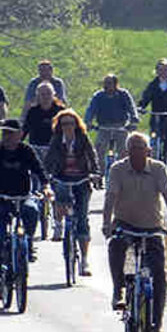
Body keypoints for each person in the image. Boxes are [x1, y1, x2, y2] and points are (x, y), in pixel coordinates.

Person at [101, 132, 167, 332]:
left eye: (141, 148)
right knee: (116, 244)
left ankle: (156, 329)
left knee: (159, 275)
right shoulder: (117, 169)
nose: (137, 152)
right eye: (133, 148)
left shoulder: (158, 168)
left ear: (149, 151)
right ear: (126, 152)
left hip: (152, 227)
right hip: (125, 223)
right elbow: (110, 197)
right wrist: (106, 222)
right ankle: (118, 289)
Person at [0, 119, 53, 299]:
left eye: (11, 133)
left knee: (33, 210)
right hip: (0, 198)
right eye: (5, 133)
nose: (7, 136)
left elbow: (39, 170)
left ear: (20, 134)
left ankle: (27, 242)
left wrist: (45, 186)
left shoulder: (26, 151)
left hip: (22, 197)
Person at [44, 108, 100, 276]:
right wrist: (46, 174)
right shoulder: (56, 140)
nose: (67, 127)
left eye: (70, 123)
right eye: (64, 124)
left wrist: (96, 173)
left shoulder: (82, 138)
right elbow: (49, 158)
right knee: (60, 192)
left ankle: (84, 260)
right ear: (59, 126)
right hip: (63, 176)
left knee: (82, 218)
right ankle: (59, 224)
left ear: (76, 124)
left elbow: (92, 155)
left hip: (81, 178)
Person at [22, 81, 68, 238]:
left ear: (53, 95)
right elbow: (24, 131)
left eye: (48, 94)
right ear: (37, 96)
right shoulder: (33, 112)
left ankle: (58, 223)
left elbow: (68, 132)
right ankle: (33, 224)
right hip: (36, 148)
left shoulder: (60, 111)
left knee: (56, 184)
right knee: (34, 183)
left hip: (54, 150)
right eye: (42, 94)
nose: (45, 97)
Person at [85, 74, 138, 173]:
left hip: (120, 127)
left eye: (109, 83)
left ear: (115, 84)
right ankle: (99, 173)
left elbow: (131, 108)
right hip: (103, 127)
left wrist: (133, 120)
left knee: (124, 150)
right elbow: (91, 110)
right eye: (105, 83)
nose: (107, 85)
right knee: (98, 150)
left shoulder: (123, 94)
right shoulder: (98, 96)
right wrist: (88, 122)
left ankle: (123, 172)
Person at [136, 58, 167, 164]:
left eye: (165, 69)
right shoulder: (153, 85)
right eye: (160, 70)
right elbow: (146, 97)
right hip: (156, 114)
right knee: (153, 134)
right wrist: (141, 107)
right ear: (156, 71)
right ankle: (151, 156)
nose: (162, 72)